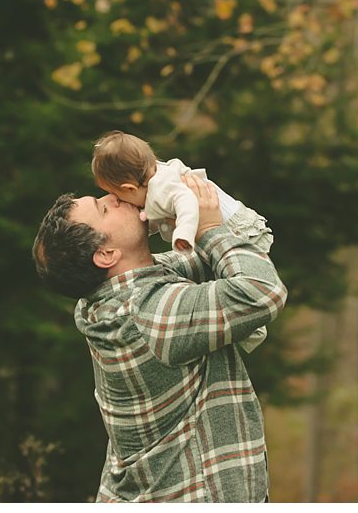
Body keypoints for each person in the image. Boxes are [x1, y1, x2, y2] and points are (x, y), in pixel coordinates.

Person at [32, 173, 284, 502]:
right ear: (106, 255)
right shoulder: (147, 314)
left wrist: (175, 193)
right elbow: (261, 290)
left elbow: (221, 259)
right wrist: (208, 228)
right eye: (103, 209)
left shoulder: (118, 295)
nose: (113, 197)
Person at [92, 130, 271, 353]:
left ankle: (252, 327)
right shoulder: (152, 178)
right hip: (227, 228)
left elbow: (185, 202)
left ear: (129, 188)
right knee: (221, 285)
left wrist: (183, 235)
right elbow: (162, 213)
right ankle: (247, 324)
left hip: (237, 232)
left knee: (237, 289)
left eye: (117, 196)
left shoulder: (163, 188)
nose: (116, 201)